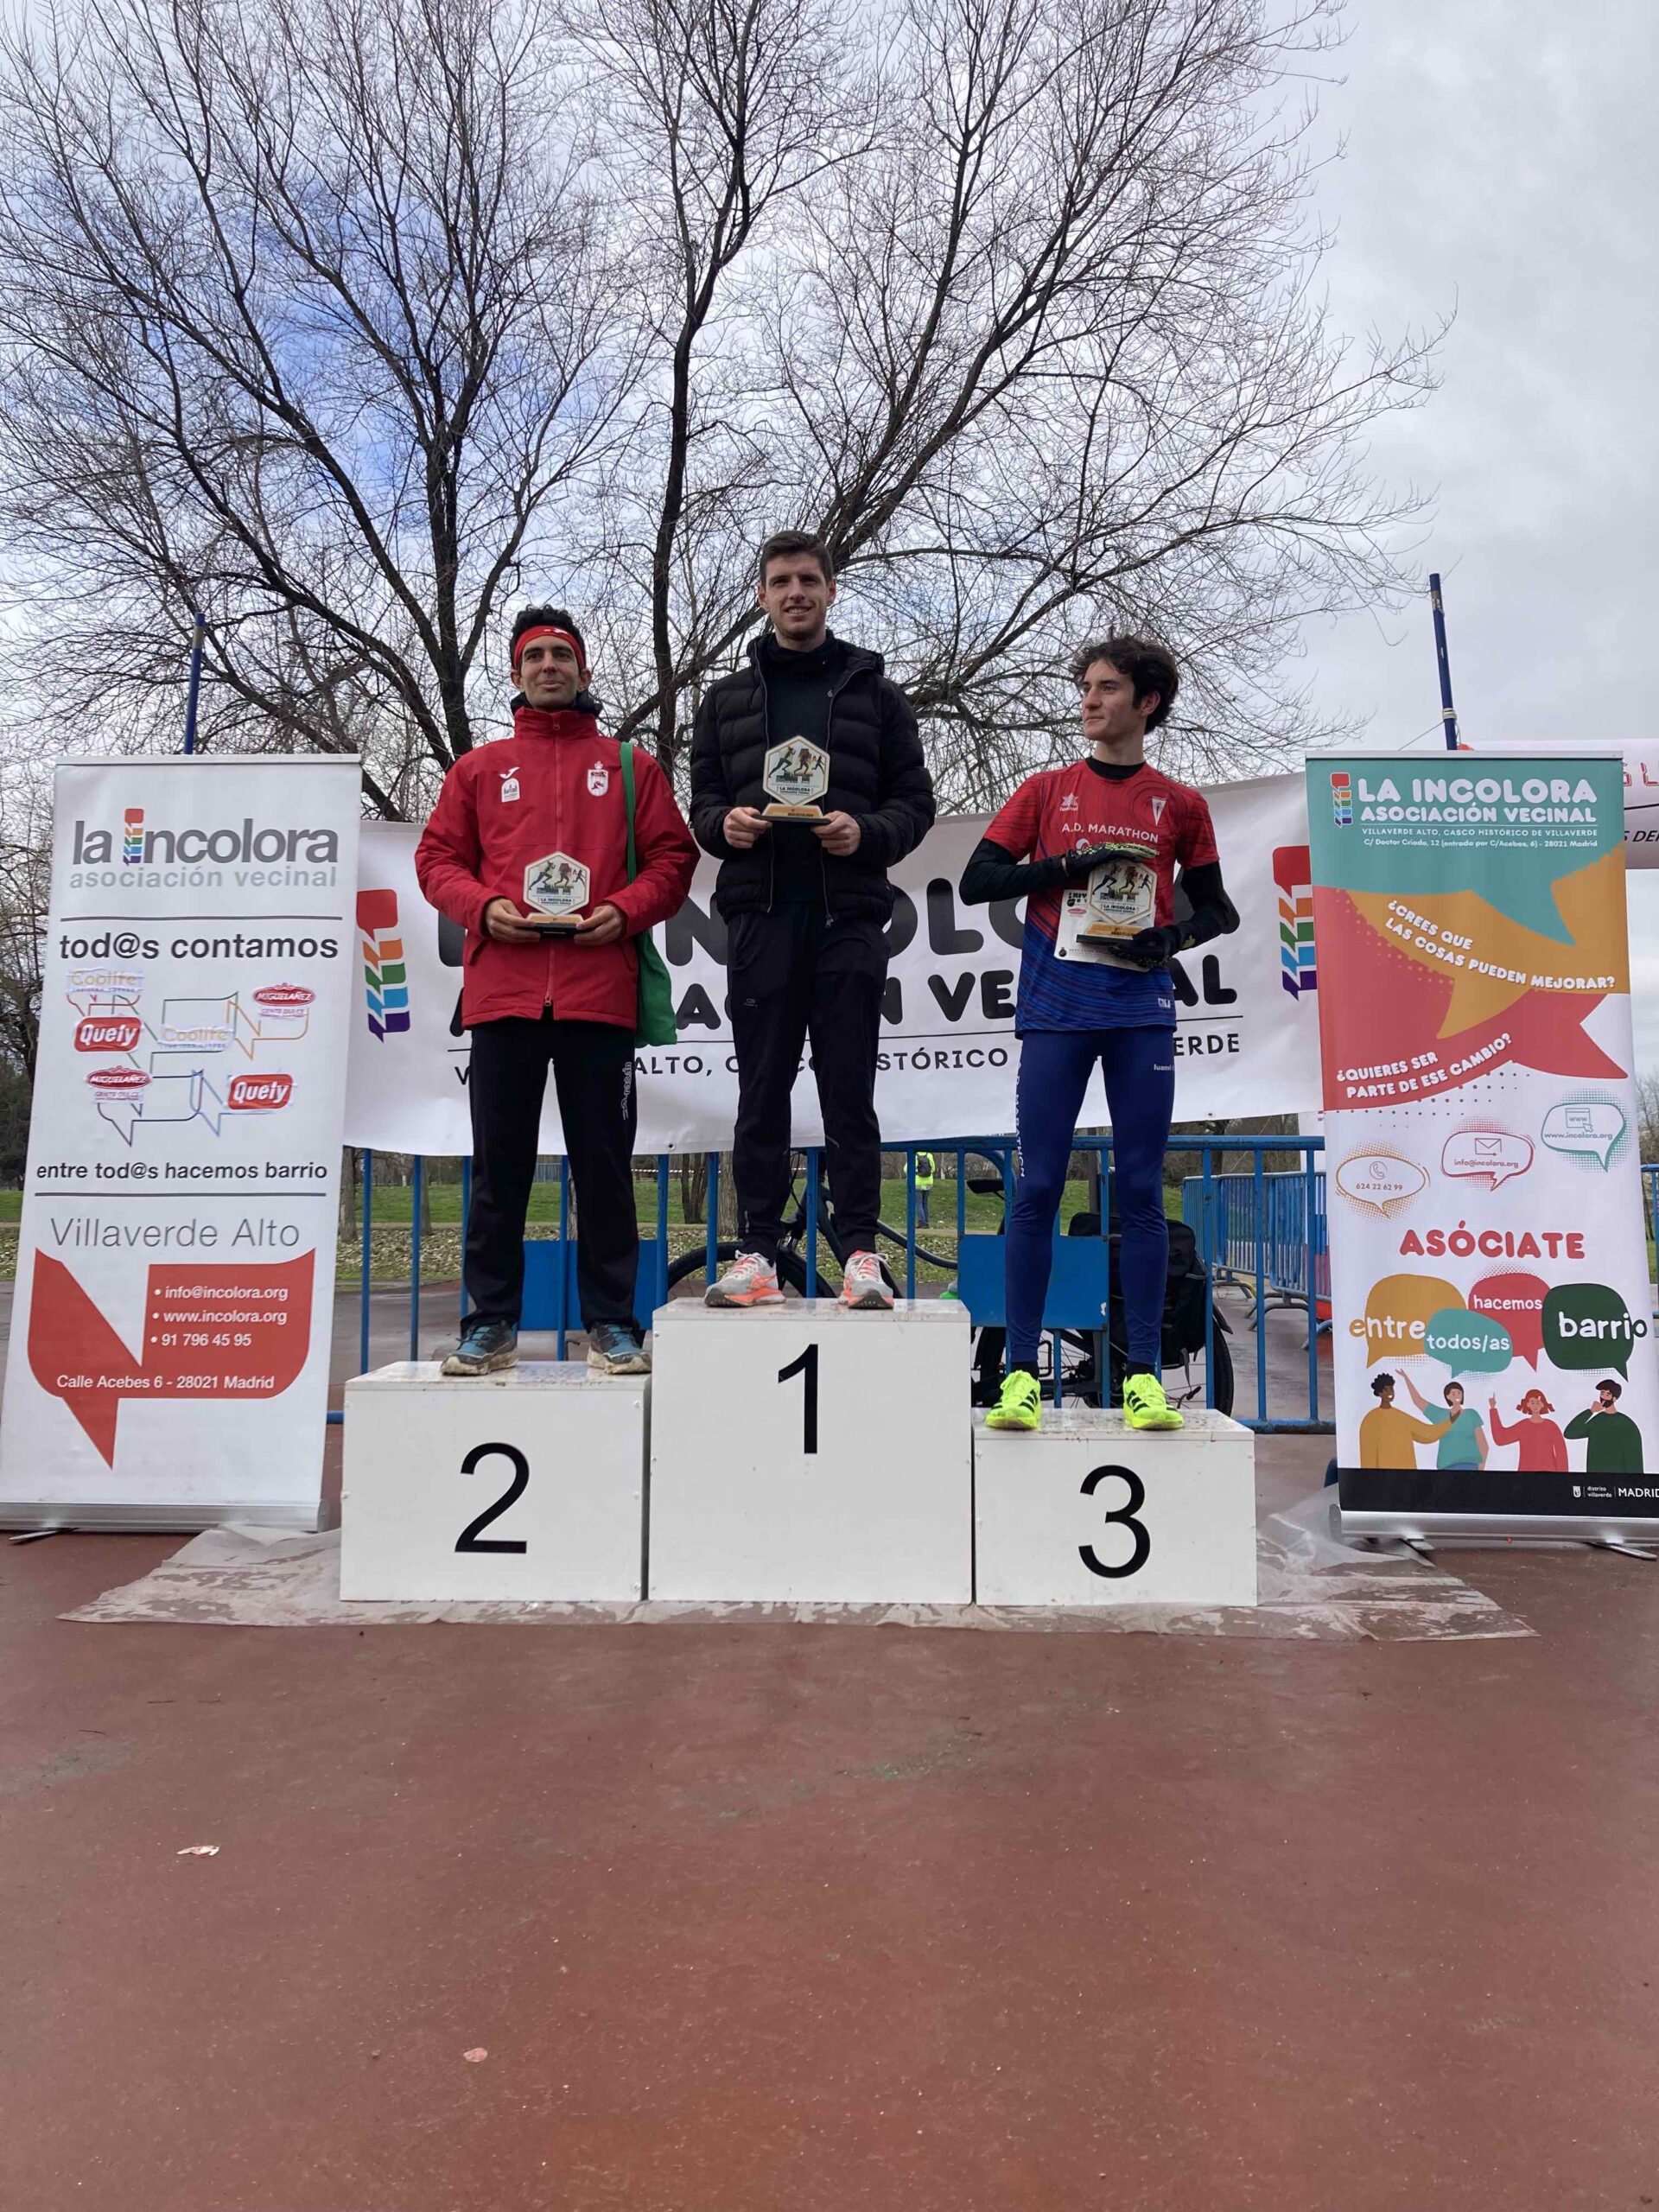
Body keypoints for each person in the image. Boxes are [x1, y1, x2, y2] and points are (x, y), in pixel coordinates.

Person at [959, 634, 1238, 1433]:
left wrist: (1171, 939)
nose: (1089, 699)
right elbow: (979, 880)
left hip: (1139, 1013)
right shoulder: (1046, 790)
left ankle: (1144, 1378)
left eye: (1107, 688)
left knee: (1142, 1188)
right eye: (1085, 686)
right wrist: (1064, 866)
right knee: (1039, 1187)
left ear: (1147, 703)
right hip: (1056, 1012)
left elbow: (1220, 909)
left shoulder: (1180, 804)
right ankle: (1018, 1375)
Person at [416, 605, 697, 1376]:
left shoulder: (631, 767)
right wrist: (482, 908)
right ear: (515, 673)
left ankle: (611, 1324)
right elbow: (436, 861)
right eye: (534, 656)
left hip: (598, 996)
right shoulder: (478, 769)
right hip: (504, 998)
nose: (548, 666)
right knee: (498, 1171)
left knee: (603, 1168)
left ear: (583, 670)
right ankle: (490, 1323)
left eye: (560, 655)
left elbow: (673, 860)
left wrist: (624, 911)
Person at [690, 530, 935, 1310]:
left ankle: (860, 1252)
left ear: (831, 589)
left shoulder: (878, 696)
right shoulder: (725, 700)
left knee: (849, 1089)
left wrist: (869, 833)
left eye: (807, 579)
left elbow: (914, 804)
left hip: (848, 915)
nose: (795, 592)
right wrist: (722, 825)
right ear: (763, 597)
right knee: (760, 1090)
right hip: (761, 916)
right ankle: (758, 1252)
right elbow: (701, 804)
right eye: (780, 582)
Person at [1359, 1373, 1451, 1468]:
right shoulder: (1370, 1420)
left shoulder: (1401, 1417)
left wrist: (1450, 1421)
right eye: (1386, 1389)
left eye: (1391, 1389)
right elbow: (1367, 1458)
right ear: (1379, 1393)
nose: (1390, 1392)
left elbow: (1426, 1432)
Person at [1397, 1373, 1487, 1469]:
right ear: (1448, 1396)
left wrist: (1482, 1465)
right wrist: (1406, 1378)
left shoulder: (1471, 1414)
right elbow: (1418, 1401)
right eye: (1453, 1393)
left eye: (1459, 1392)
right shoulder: (1440, 1415)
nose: (1457, 1395)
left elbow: (1483, 1443)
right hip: (1447, 1466)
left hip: (1469, 1465)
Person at [1564, 1377, 1645, 1474]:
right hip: (1595, 1477)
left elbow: (1634, 1459)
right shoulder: (1596, 1421)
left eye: (1607, 1394)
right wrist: (1590, 1411)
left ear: (1614, 1398)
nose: (1604, 1397)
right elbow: (1570, 1433)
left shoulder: (1626, 1424)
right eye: (1602, 1393)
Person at [1486, 1388, 1568, 1473]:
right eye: (1532, 1402)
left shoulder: (1551, 1426)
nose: (1535, 1405)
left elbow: (1561, 1453)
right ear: (1527, 1404)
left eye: (1538, 1402)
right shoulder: (1523, 1426)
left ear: (1543, 1404)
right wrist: (1493, 1409)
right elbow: (1501, 1439)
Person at [913, 1149, 936, 1229]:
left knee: (918, 1203)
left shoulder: (914, 1155)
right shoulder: (929, 1155)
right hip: (928, 1182)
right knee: (925, 1202)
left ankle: (922, 1223)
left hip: (918, 1182)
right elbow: (933, 1168)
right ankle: (926, 1222)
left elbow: (906, 1169)